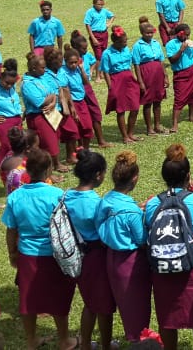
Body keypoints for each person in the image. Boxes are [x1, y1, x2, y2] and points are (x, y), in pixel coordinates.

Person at [144, 144, 193, 350]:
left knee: (167, 317)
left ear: (163, 177)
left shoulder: (152, 204)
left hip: (162, 266)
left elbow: (148, 228)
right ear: (188, 175)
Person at [3, 148, 76, 350]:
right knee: (59, 297)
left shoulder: (15, 197)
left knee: (28, 300)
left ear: (27, 170)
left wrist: (12, 253)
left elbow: (11, 230)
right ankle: (64, 340)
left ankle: (31, 340)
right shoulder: (58, 195)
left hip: (27, 254)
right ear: (49, 170)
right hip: (54, 254)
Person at [96, 150, 151, 344]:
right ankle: (138, 342)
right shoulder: (132, 212)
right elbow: (142, 240)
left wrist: (137, 208)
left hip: (110, 258)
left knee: (124, 303)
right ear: (134, 178)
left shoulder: (106, 200)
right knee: (137, 308)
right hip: (131, 263)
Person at [66, 149, 115, 350]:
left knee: (90, 303)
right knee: (104, 307)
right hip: (96, 256)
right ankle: (106, 345)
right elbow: (106, 232)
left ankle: (85, 343)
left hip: (76, 254)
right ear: (97, 175)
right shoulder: (96, 203)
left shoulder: (66, 196)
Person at [21, 52, 76, 171]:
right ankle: (48, 170)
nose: (45, 70)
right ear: (34, 68)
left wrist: (53, 101)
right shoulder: (27, 84)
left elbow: (54, 92)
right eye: (42, 68)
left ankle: (55, 164)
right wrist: (51, 98)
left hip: (50, 112)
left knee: (54, 138)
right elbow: (39, 101)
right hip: (38, 116)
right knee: (47, 142)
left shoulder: (42, 77)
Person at [101, 27, 142, 144]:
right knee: (121, 109)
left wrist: (134, 78)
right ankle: (125, 136)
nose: (125, 43)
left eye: (126, 41)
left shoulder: (126, 50)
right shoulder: (107, 53)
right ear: (116, 42)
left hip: (129, 78)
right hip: (117, 79)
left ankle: (130, 133)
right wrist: (110, 86)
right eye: (123, 42)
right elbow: (106, 71)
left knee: (135, 107)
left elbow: (130, 65)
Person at [133, 18, 168, 136]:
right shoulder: (138, 46)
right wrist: (140, 81)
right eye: (147, 33)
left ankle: (157, 124)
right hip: (146, 73)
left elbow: (161, 60)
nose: (149, 35)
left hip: (158, 73)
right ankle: (149, 128)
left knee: (158, 99)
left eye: (151, 33)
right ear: (142, 33)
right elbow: (136, 64)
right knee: (148, 101)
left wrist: (165, 76)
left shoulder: (156, 43)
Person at [164, 24, 193, 133]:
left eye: (189, 35)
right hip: (181, 73)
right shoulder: (170, 44)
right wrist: (181, 50)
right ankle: (175, 124)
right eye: (186, 35)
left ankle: (191, 116)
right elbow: (172, 60)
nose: (188, 37)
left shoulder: (189, 43)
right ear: (180, 34)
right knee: (179, 98)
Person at [58, 48, 94, 150]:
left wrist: (82, 69)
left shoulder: (78, 69)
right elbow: (65, 90)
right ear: (65, 61)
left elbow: (86, 83)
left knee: (87, 126)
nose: (73, 65)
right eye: (71, 63)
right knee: (75, 128)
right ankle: (75, 150)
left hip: (81, 101)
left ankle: (85, 149)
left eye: (75, 62)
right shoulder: (63, 72)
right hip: (72, 102)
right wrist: (71, 106)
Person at [0, 59, 23, 165]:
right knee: (5, 149)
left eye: (12, 83)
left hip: (17, 122)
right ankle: (5, 170)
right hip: (4, 124)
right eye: (7, 83)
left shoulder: (12, 87)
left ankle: (18, 168)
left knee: (18, 148)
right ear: (0, 77)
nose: (9, 86)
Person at [84, 0, 115, 80]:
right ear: (94, 4)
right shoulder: (90, 12)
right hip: (95, 34)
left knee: (103, 54)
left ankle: (101, 73)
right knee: (98, 56)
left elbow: (112, 16)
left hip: (104, 34)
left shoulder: (104, 11)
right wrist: (92, 37)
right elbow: (87, 25)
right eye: (99, 4)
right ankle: (97, 76)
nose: (101, 6)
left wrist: (109, 23)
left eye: (102, 4)